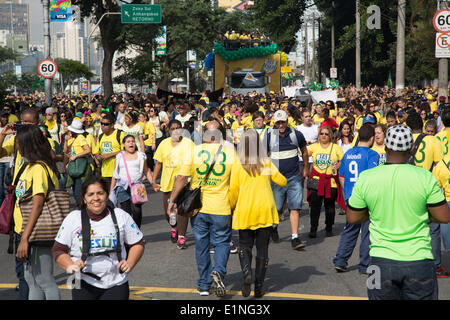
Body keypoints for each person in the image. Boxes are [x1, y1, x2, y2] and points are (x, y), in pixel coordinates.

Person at [347, 125, 450, 300]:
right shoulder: (425, 177)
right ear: (411, 149)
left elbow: (353, 217)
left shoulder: (367, 177)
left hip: (379, 260)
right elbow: (443, 216)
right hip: (419, 260)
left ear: (385, 147)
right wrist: (425, 213)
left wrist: (372, 213)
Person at [168, 120, 237, 297]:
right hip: (221, 206)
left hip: (197, 207)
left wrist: (172, 200)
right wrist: (234, 204)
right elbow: (236, 183)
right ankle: (219, 271)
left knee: (202, 246)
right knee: (222, 242)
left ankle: (204, 284)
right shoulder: (231, 153)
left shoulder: (194, 152)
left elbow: (182, 177)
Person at [53, 176, 145, 300]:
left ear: (106, 196)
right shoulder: (73, 218)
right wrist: (70, 265)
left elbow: (137, 243)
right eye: (90, 194)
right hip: (83, 282)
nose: (96, 198)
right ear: (84, 198)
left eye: (100, 193)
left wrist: (130, 263)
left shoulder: (121, 216)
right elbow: (58, 250)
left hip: (116, 282)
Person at [229, 129, 286, 298]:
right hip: (265, 209)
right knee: (262, 249)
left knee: (245, 245)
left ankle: (247, 273)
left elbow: (233, 190)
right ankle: (259, 287)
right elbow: (282, 180)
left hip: (245, 209)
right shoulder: (265, 162)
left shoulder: (239, 164)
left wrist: (230, 206)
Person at [14, 125, 61, 300]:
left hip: (36, 233)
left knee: (44, 279)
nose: (16, 145)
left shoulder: (39, 169)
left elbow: (38, 205)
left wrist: (25, 238)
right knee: (31, 279)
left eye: (18, 142)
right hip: (25, 231)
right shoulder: (29, 166)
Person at [333, 124, 379, 274]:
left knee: (350, 229)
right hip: (365, 198)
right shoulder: (372, 155)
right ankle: (365, 265)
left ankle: (340, 260)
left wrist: (347, 192)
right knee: (367, 231)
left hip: (351, 196)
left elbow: (341, 176)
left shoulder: (348, 154)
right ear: (372, 138)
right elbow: (372, 178)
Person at [263, 110, 309, 250]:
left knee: (294, 207)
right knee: (277, 208)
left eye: (283, 122)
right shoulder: (269, 136)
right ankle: (274, 227)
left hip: (294, 176)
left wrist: (305, 168)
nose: (281, 125)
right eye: (278, 122)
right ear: (274, 123)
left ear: (287, 121)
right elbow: (263, 156)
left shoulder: (296, 134)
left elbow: (304, 151)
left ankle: (295, 237)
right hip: (276, 179)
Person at [152, 119, 195, 249]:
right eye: (172, 129)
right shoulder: (164, 144)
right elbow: (158, 163)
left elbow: (195, 162)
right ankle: (174, 227)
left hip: (184, 182)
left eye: (178, 128)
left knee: (182, 210)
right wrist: (154, 181)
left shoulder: (189, 143)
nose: (175, 131)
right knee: (167, 212)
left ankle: (181, 236)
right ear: (168, 130)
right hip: (167, 182)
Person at [306, 125, 345, 238]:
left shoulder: (336, 148)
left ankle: (329, 227)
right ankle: (313, 229)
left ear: (330, 136)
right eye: (321, 133)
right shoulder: (314, 147)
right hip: (317, 181)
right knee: (315, 207)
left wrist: (338, 165)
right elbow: (303, 153)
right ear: (319, 135)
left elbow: (343, 160)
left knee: (330, 207)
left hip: (330, 181)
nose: (323, 136)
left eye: (326, 134)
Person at [110, 135, 153, 228]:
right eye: (128, 141)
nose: (131, 143)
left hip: (137, 187)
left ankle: (137, 232)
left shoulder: (141, 156)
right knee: (126, 212)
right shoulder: (119, 157)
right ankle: (128, 235)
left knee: (137, 211)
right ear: (124, 145)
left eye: (133, 141)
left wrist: (153, 183)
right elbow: (115, 175)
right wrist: (111, 191)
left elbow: (146, 171)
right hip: (122, 187)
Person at [94, 113, 125, 190]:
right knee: (108, 198)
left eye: (106, 124)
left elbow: (124, 151)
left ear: (112, 125)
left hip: (119, 172)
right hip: (105, 172)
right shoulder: (101, 137)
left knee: (121, 197)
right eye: (101, 123)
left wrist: (108, 155)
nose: (103, 126)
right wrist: (98, 157)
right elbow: (97, 152)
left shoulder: (120, 134)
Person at [65, 119, 92, 204]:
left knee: (78, 193)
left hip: (81, 168)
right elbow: (65, 151)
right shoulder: (73, 139)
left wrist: (76, 156)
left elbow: (88, 150)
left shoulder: (80, 138)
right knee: (75, 191)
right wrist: (66, 141)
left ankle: (82, 211)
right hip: (74, 167)